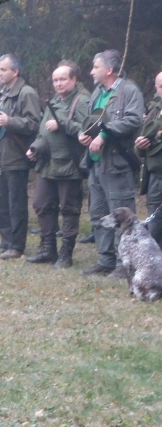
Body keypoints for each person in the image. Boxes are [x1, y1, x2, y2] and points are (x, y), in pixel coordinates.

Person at [78, 49, 144, 277]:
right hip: (96, 164)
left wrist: (104, 135)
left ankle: (124, 265)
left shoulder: (129, 91)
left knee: (122, 217)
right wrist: (84, 134)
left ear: (109, 70)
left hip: (117, 164)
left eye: (95, 67)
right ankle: (105, 260)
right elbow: (92, 122)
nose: (91, 72)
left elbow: (133, 120)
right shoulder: (97, 92)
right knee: (99, 215)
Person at [25, 61, 90, 267]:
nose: (58, 83)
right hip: (48, 164)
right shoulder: (54, 101)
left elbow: (86, 130)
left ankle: (66, 254)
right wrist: (35, 148)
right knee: (42, 205)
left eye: (63, 79)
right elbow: (43, 131)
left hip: (70, 165)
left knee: (69, 210)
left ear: (74, 80)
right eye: (55, 80)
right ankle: (48, 249)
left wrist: (61, 124)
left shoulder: (82, 101)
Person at [0, 54, 41, 259]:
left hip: (15, 155)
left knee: (16, 203)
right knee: (1, 201)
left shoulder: (26, 93)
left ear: (15, 71)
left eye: (3, 70)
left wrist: (10, 121)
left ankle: (17, 245)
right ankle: (5, 242)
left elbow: (34, 123)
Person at [135, 71, 162, 247]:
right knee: (155, 225)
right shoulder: (154, 111)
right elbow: (139, 151)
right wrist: (140, 145)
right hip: (156, 177)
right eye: (161, 86)